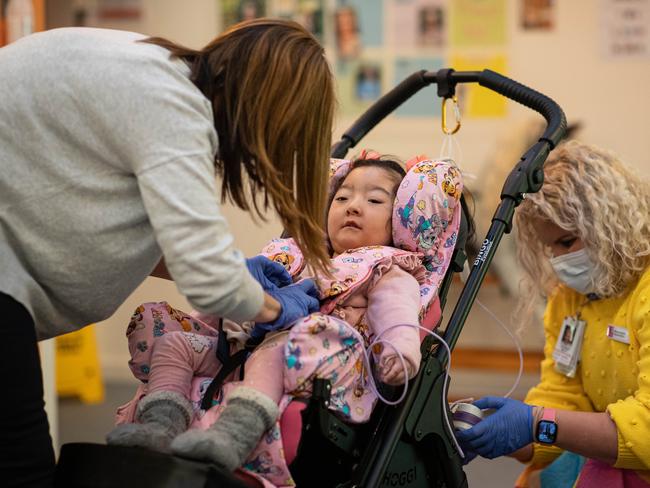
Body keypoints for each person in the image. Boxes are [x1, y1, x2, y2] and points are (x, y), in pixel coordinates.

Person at [0, 18, 335, 487]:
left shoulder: (151, 70)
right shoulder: (171, 104)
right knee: (21, 471)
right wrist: (277, 308)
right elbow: (209, 280)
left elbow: (125, 220)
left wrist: (233, 271)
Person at [106, 156, 463, 485]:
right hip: (246, 348)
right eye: (342, 198)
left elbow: (397, 311)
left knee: (274, 350)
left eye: (374, 200)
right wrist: (219, 321)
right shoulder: (296, 256)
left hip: (323, 363)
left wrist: (400, 350)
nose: (353, 205)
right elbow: (240, 296)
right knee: (174, 344)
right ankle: (160, 426)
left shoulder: (387, 269)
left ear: (400, 220)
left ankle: (232, 434)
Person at [456, 141, 650, 486]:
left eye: (567, 242)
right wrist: (509, 435)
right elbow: (563, 395)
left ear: (610, 224)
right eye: (550, 248)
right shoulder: (570, 299)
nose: (559, 262)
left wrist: (536, 423)